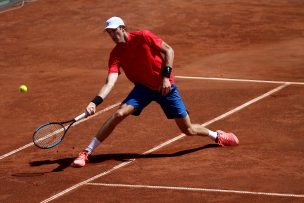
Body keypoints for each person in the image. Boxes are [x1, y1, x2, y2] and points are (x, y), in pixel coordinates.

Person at [72, 16, 239, 167]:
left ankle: (216, 136)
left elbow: (169, 50)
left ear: (123, 28)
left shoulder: (143, 36)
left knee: (188, 130)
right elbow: (110, 82)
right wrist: (95, 102)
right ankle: (87, 152)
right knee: (119, 114)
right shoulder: (115, 54)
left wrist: (166, 77)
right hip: (143, 89)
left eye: (115, 31)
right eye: (109, 33)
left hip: (165, 87)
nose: (113, 36)